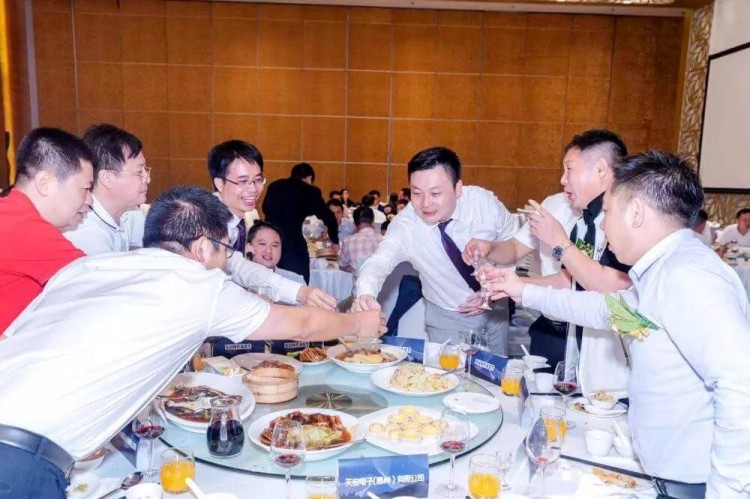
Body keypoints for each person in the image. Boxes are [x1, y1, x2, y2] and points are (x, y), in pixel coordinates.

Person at [0, 186, 384, 498]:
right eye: (225, 250)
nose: (227, 261)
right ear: (202, 248)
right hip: (20, 460)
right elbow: (301, 325)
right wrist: (358, 323)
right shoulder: (198, 283)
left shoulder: (88, 266)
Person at [485, 151, 750, 498]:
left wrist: (728, 490)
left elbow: (740, 383)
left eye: (608, 212)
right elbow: (605, 310)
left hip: (695, 483)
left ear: (636, 213)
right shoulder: (662, 273)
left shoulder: (689, 276)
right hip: (669, 473)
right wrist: (521, 290)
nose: (603, 225)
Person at [464, 129, 631, 389]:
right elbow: (570, 280)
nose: (562, 179)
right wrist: (512, 281)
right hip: (565, 327)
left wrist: (558, 243)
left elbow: (612, 288)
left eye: (569, 169)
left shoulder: (623, 220)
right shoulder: (577, 216)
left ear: (600, 169)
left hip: (610, 345)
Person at [353, 146, 517, 354]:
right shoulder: (406, 225)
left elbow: (513, 239)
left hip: (497, 310)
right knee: (455, 372)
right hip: (449, 317)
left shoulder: (483, 204)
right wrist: (365, 294)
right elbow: (379, 262)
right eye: (416, 193)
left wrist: (497, 287)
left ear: (458, 188)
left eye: (435, 193)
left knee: (498, 369)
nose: (425, 203)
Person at [209, 143, 335, 308]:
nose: (253, 189)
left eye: (258, 180)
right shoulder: (208, 221)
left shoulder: (243, 216)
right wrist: (298, 292)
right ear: (220, 183)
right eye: (243, 181)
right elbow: (235, 267)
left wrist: (299, 292)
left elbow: (239, 266)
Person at [0, 128, 93, 333]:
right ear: (44, 183)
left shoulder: (11, 212)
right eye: (85, 189)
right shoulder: (24, 227)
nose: (89, 200)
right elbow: (95, 278)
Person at [64, 124, 148, 254]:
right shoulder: (84, 230)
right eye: (139, 172)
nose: (147, 179)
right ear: (107, 178)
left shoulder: (129, 210)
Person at [263, 162, 339, 283]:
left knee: (269, 283)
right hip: (293, 246)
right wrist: (335, 239)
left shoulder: (274, 186)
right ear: (309, 177)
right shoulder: (310, 191)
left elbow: (265, 208)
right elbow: (328, 216)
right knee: (298, 285)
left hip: (268, 243)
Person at [246, 220, 305, 286]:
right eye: (262, 244)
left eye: (274, 245)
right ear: (249, 245)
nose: (269, 250)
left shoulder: (296, 281)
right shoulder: (239, 276)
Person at [340, 206, 383, 273]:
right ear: (373, 222)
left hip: (358, 279)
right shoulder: (383, 240)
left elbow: (342, 266)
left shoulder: (347, 241)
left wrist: (352, 269)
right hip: (380, 279)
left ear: (354, 224)